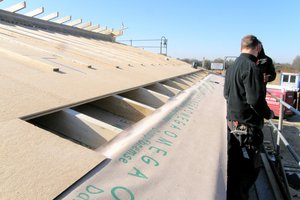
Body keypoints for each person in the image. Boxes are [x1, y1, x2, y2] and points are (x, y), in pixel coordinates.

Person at [223, 35, 274, 200]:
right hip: (247, 128)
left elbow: (226, 94)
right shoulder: (252, 68)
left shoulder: (231, 68)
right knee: (249, 170)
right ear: (258, 48)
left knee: (236, 166)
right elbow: (255, 102)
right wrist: (269, 114)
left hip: (233, 125)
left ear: (240, 48)